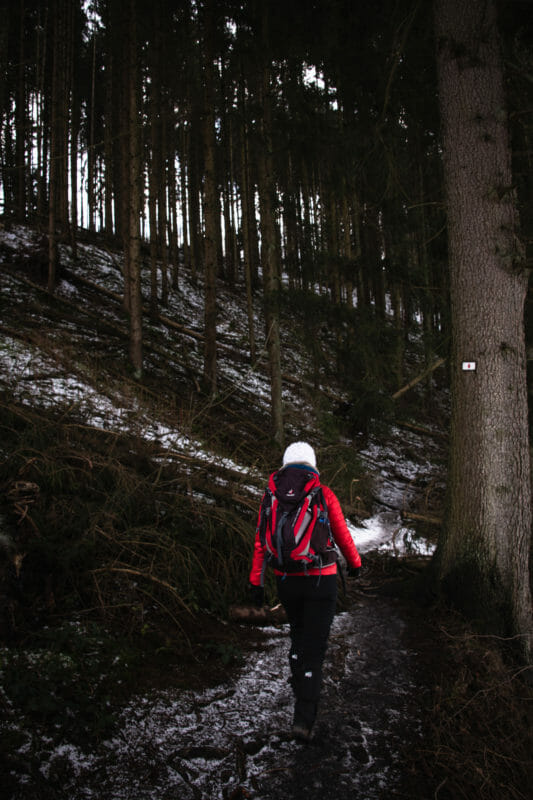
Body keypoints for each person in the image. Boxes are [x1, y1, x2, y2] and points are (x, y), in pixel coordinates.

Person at [248, 441, 362, 741]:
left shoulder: (271, 494)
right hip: (320, 580)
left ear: (286, 463)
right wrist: (355, 563)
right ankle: (304, 716)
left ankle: (300, 682)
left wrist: (255, 584)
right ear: (312, 465)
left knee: (298, 636)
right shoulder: (323, 493)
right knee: (316, 646)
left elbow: (261, 542)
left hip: (286, 579)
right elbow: (341, 533)